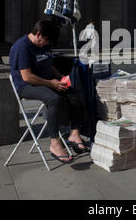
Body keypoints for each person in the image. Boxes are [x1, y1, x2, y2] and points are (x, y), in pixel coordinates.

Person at [9, 20, 89, 163]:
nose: (46, 44)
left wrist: (61, 78)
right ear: (38, 34)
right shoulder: (22, 47)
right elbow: (27, 77)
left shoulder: (44, 45)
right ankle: (55, 143)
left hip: (46, 81)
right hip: (26, 86)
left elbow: (48, 65)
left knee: (73, 94)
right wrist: (51, 84)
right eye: (45, 41)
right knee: (53, 99)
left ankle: (74, 134)